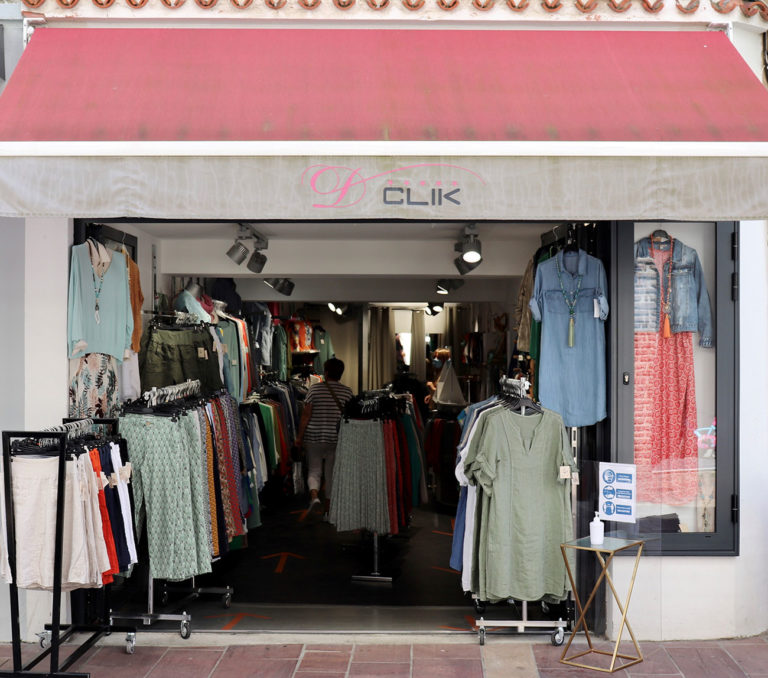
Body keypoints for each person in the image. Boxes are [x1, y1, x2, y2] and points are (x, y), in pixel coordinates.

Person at [295, 357, 353, 516]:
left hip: (314, 437)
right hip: (335, 438)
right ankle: (328, 511)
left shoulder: (314, 390)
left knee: (314, 470)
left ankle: (314, 497)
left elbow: (306, 415)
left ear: (326, 373)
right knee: (330, 474)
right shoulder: (347, 392)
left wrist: (299, 437)